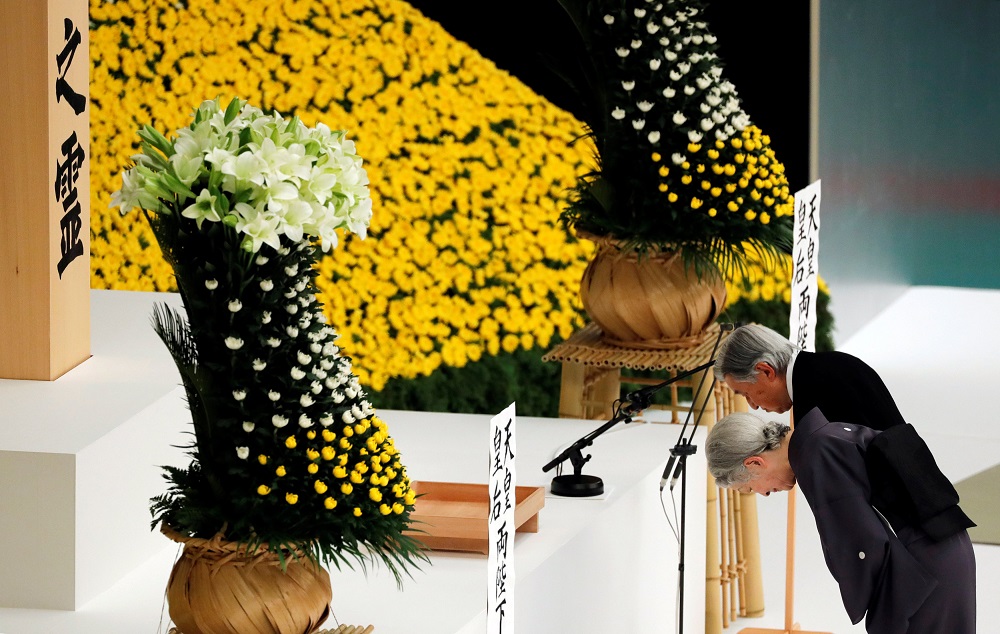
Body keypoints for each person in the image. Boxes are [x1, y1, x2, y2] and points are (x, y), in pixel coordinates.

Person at [706, 409, 977, 634]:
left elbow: (863, 543)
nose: (764, 494)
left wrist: (883, 612)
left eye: (750, 488)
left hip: (923, 567)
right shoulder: (821, 437)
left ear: (754, 463)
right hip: (943, 544)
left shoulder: (816, 456)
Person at [712, 323, 974, 540]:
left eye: (747, 393)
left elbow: (849, 502)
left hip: (916, 532)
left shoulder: (813, 405)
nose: (753, 404)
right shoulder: (836, 364)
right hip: (934, 513)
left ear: (765, 370)